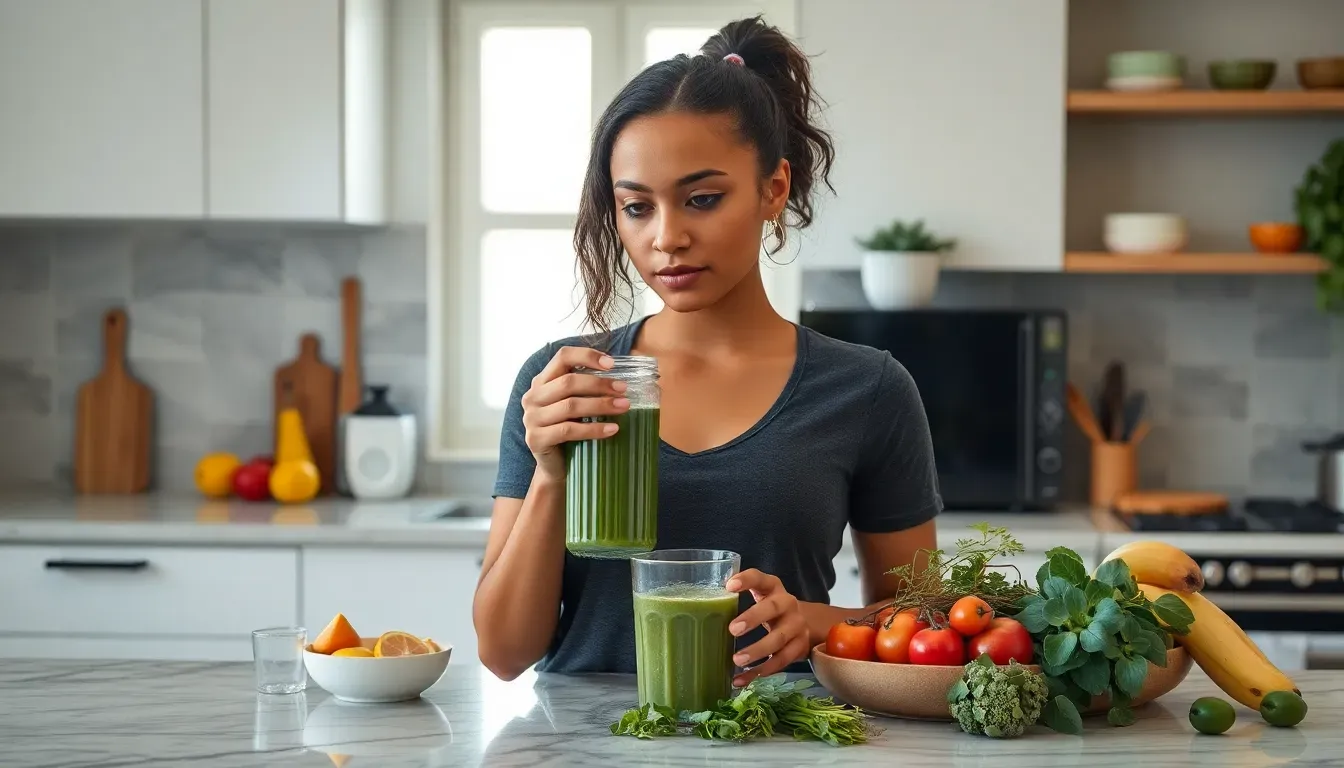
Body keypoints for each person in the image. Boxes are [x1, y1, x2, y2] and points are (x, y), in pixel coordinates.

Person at [473, 15, 941, 685]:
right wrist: (552, 472)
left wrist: (814, 621)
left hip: (783, 738)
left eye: (701, 198)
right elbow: (504, 652)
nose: (667, 238)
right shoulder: (565, 382)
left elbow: (922, 623)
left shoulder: (867, 390)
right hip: (577, 747)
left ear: (773, 189)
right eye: (637, 207)